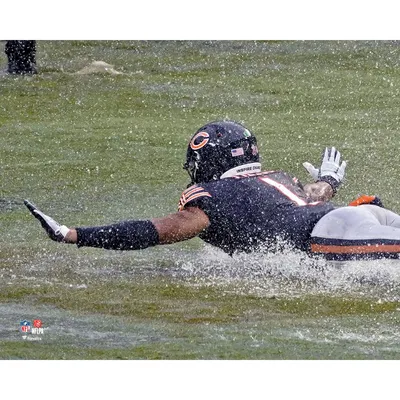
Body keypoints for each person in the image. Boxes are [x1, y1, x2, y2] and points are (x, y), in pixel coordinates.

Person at [24, 120, 400, 261]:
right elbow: (315, 194)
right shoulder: (277, 178)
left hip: (334, 233)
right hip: (359, 215)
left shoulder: (209, 196)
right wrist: (331, 180)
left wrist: (75, 235)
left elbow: (154, 232)